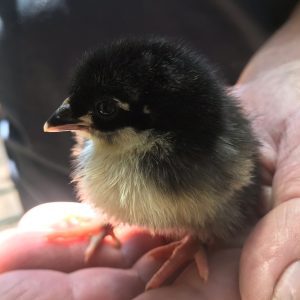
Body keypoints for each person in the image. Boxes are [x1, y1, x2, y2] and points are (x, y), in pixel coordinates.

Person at [0, 1, 300, 299]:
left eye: (105, 109)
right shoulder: (103, 139)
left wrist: (288, 61)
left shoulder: (212, 158)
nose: (62, 117)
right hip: (34, 145)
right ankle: (107, 219)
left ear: (148, 116)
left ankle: (195, 237)